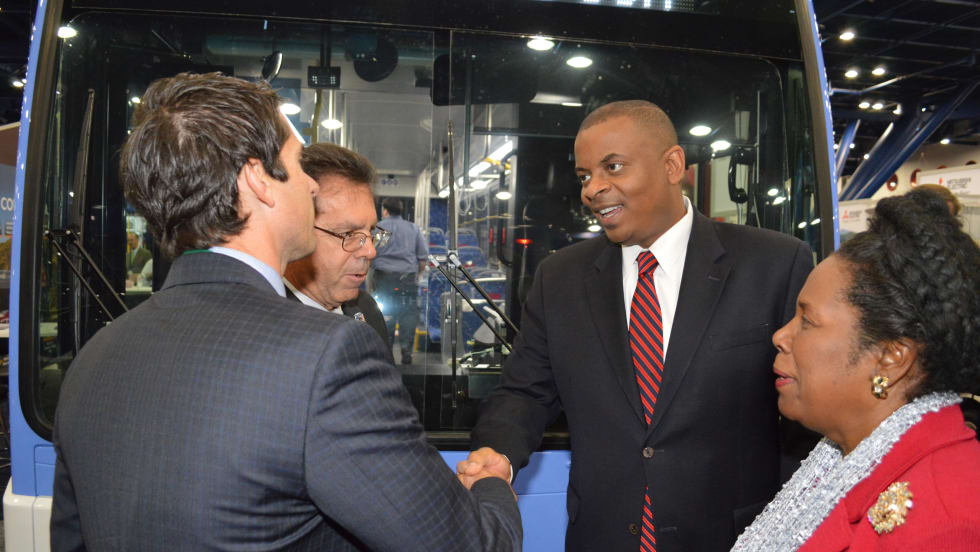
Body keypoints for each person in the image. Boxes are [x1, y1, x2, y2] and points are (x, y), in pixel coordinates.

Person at [50, 72, 521, 551]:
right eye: (298, 165)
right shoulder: (326, 357)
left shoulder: (94, 358)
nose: (312, 185)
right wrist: (492, 484)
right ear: (258, 179)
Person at [460, 100, 815, 552]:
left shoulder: (774, 263)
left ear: (672, 165)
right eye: (584, 176)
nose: (593, 190)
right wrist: (498, 454)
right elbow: (524, 392)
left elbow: (809, 413)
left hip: (736, 539)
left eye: (612, 167)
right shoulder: (560, 278)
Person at [733, 188, 980, 551]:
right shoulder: (842, 457)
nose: (780, 336)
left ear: (891, 357)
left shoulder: (943, 523)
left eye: (807, 321)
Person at [284, 142, 390, 347]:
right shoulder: (264, 326)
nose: (370, 251)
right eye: (348, 234)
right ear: (294, 230)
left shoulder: (367, 310)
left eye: (370, 232)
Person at [373, 197, 428, 364]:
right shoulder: (412, 229)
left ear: (385, 210)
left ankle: (386, 351)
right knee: (408, 313)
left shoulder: (382, 229)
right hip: (407, 278)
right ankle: (406, 350)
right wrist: (416, 275)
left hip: (384, 278)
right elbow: (422, 258)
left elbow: (373, 251)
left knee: (385, 314)